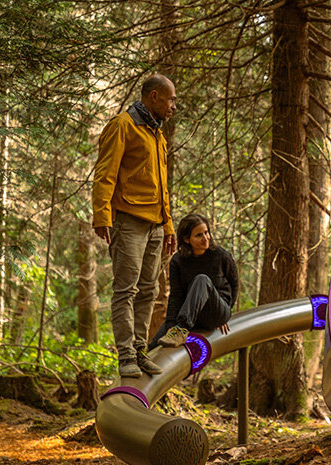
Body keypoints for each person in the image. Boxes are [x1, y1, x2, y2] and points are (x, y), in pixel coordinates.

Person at [92, 74, 177, 378]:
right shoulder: (123, 125)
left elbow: (163, 185)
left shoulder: (157, 134)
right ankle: (126, 355)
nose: (173, 106)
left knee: (148, 291)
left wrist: (168, 225)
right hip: (127, 221)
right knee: (125, 290)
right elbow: (105, 174)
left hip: (155, 224)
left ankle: (140, 351)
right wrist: (102, 217)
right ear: (153, 97)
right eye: (170, 99)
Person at [152, 214, 238, 349]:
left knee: (201, 279)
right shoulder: (178, 261)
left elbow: (234, 285)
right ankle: (177, 331)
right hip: (191, 315)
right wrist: (169, 326)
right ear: (186, 239)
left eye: (206, 233)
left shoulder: (221, 256)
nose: (205, 238)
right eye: (199, 235)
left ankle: (181, 329)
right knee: (155, 345)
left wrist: (223, 316)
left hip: (216, 311)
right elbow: (176, 295)